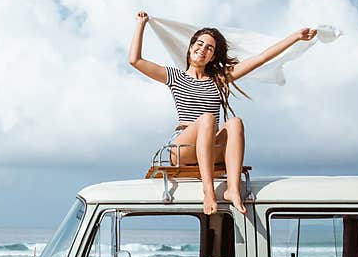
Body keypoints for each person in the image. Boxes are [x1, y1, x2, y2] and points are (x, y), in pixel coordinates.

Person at [129, 11, 317, 215]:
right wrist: (141, 24)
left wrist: (296, 37)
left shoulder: (218, 79)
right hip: (183, 147)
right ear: (191, 47)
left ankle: (232, 190)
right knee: (208, 119)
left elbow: (260, 58)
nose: (202, 50)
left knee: (235, 122)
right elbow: (135, 61)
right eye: (199, 44)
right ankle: (208, 192)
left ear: (212, 56)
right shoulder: (175, 76)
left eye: (209, 48)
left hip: (211, 146)